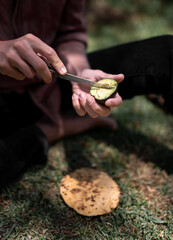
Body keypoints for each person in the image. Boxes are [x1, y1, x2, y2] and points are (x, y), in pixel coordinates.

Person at [0, 0, 172, 189]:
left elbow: (70, 33)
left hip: (52, 83)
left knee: (165, 52)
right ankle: (55, 128)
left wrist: (80, 72)